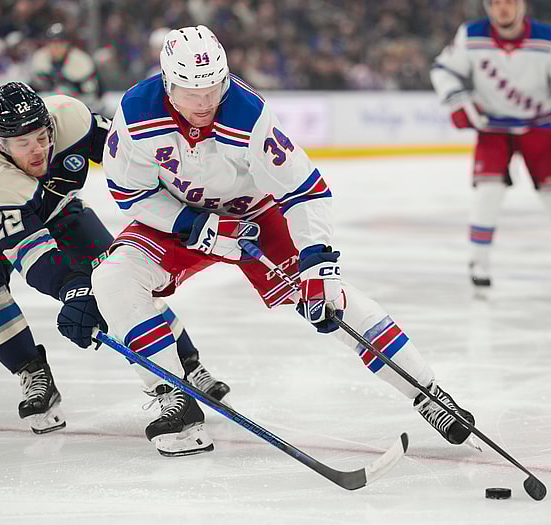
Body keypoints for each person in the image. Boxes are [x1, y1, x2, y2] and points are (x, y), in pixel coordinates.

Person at [85, 25, 475, 457]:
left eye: (214, 88)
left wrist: (317, 264)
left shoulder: (248, 114)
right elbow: (129, 192)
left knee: (330, 300)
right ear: (167, 82)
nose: (205, 103)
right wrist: (188, 223)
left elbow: (304, 189)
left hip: (255, 216)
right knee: (113, 278)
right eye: (191, 92)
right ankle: (174, 396)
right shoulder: (137, 112)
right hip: (177, 220)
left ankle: (429, 393)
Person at [0, 82, 229, 435]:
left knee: (121, 276)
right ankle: (31, 370)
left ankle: (188, 364)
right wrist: (73, 289)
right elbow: (32, 254)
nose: (37, 151)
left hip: (57, 206)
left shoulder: (71, 118)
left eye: (41, 137)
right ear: (0, 143)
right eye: (23, 144)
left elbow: (133, 154)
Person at [430, 0, 551, 291]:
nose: (502, 9)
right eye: (495, 3)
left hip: (540, 129)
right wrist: (457, 101)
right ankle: (478, 263)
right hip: (493, 129)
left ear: (522, 5)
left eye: (509, 2)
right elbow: (443, 70)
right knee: (487, 197)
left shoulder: (548, 38)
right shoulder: (470, 35)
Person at [29, 23, 100, 107]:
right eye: (53, 42)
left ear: (68, 44)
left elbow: (91, 95)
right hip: (48, 104)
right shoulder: (39, 58)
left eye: (61, 43)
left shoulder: (82, 61)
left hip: (78, 104)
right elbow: (35, 88)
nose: (57, 46)